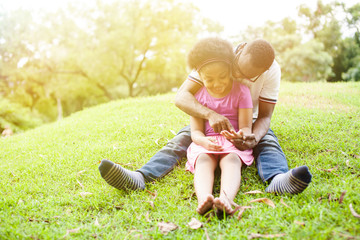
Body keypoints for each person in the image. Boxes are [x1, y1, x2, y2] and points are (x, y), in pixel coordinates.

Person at [98, 38, 312, 195]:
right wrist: (210, 114)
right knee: (182, 139)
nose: (238, 77)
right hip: (210, 122)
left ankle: (278, 179)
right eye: (236, 70)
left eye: (248, 76)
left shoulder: (272, 71)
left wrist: (252, 137)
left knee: (267, 141)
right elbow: (181, 97)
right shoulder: (218, 56)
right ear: (238, 53)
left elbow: (265, 116)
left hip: (248, 121)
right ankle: (141, 177)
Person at [184, 38, 253, 215]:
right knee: (204, 161)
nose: (217, 84)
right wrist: (204, 142)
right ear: (200, 77)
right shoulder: (197, 97)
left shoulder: (242, 91)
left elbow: (246, 127)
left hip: (231, 144)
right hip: (206, 142)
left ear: (230, 69)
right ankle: (204, 200)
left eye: (222, 76)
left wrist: (240, 136)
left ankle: (226, 199)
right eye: (209, 79)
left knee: (231, 160)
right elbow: (196, 132)